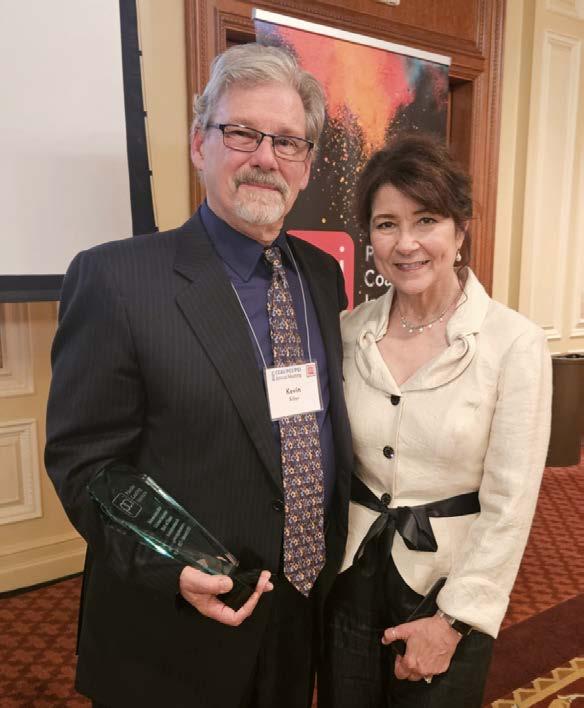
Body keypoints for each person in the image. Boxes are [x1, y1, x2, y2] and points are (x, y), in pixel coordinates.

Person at [45, 43, 352, 708]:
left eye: (287, 141)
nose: (265, 157)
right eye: (241, 133)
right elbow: (85, 463)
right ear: (198, 144)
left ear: (306, 165)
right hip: (174, 637)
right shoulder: (117, 279)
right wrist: (171, 568)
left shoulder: (322, 277)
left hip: (298, 613)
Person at [318, 133, 552, 708]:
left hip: (446, 588)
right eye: (387, 224)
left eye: (426, 220)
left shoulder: (513, 343)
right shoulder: (348, 331)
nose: (406, 243)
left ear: (460, 229)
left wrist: (454, 621)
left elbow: (510, 504)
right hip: (350, 576)